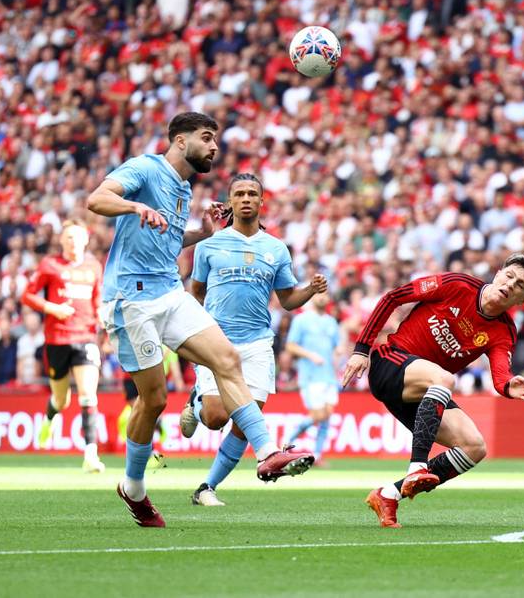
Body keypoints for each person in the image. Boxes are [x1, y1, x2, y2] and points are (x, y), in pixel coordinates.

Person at [86, 112, 312, 527]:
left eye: (214, 140)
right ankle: (133, 487)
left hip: (169, 291)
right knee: (153, 400)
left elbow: (168, 240)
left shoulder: (184, 188)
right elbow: (97, 199)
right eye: (206, 138)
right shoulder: (145, 168)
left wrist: (201, 235)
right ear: (180, 140)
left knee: (227, 359)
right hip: (130, 299)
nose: (213, 147)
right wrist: (134, 205)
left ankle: (268, 453)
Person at [341, 253, 524, 528]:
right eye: (509, 276)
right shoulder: (457, 285)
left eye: (520, 285)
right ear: (498, 274)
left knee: (475, 447)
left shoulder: (504, 331)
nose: (510, 284)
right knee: (445, 380)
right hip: (390, 364)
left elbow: (500, 376)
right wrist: (361, 349)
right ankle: (417, 467)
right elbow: (393, 297)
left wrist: (509, 386)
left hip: (425, 392)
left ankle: (388, 495)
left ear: (522, 300)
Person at [178, 172, 324, 506]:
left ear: (261, 201)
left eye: (252, 194)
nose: (246, 198)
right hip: (216, 340)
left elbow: (287, 300)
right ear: (230, 201)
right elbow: (196, 292)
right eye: (240, 193)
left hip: (257, 343)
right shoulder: (209, 245)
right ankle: (196, 403)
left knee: (244, 426)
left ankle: (206, 488)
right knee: (216, 417)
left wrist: (310, 290)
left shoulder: (276, 248)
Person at [21, 220, 105, 473]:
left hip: (85, 337)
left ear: (86, 240)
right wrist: (52, 308)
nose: (73, 241)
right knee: (61, 400)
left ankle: (90, 455)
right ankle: (49, 418)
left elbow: (97, 298)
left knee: (88, 394)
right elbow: (27, 295)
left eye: (77, 237)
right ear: (61, 240)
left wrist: (101, 315)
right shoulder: (50, 265)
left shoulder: (94, 266)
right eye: (68, 237)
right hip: (57, 339)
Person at [283, 290, 342, 465]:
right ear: (312, 297)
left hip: (329, 376)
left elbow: (337, 347)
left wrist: (338, 354)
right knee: (318, 415)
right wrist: (310, 355)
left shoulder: (331, 322)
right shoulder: (301, 320)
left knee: (327, 416)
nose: (322, 297)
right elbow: (290, 346)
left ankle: (317, 455)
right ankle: (286, 442)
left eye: (325, 294)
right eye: (318, 293)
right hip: (310, 377)